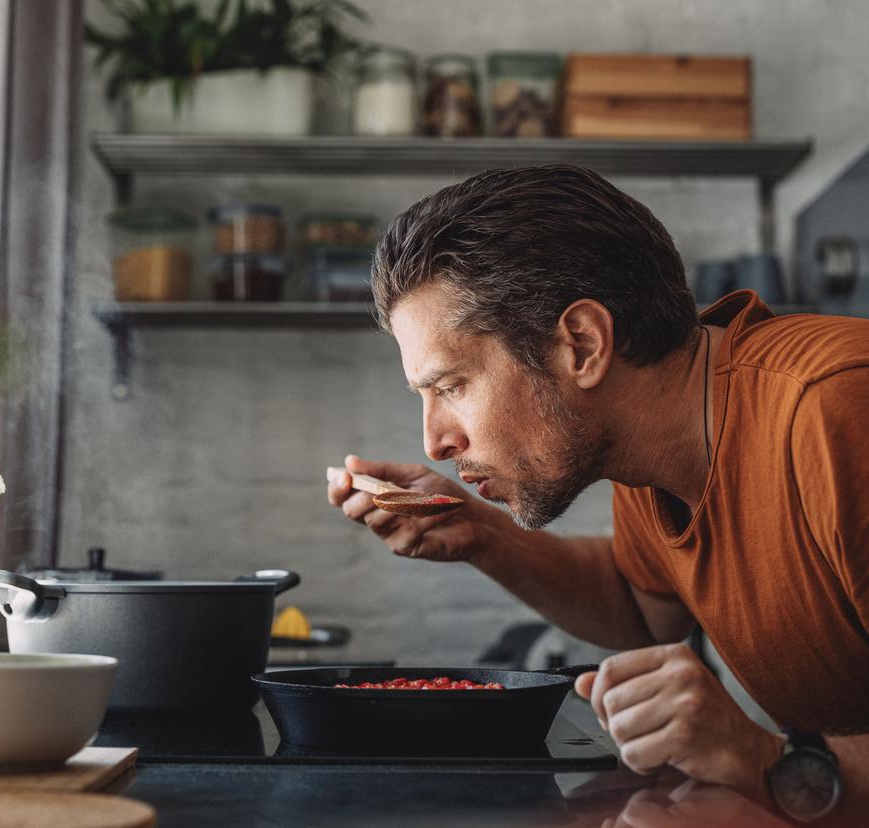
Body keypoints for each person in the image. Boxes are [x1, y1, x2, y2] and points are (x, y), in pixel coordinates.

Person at [327, 165, 869, 823]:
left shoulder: (841, 412)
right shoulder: (651, 442)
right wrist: (483, 536)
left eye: (452, 387)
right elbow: (646, 614)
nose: (435, 441)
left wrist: (761, 759)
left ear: (581, 344)